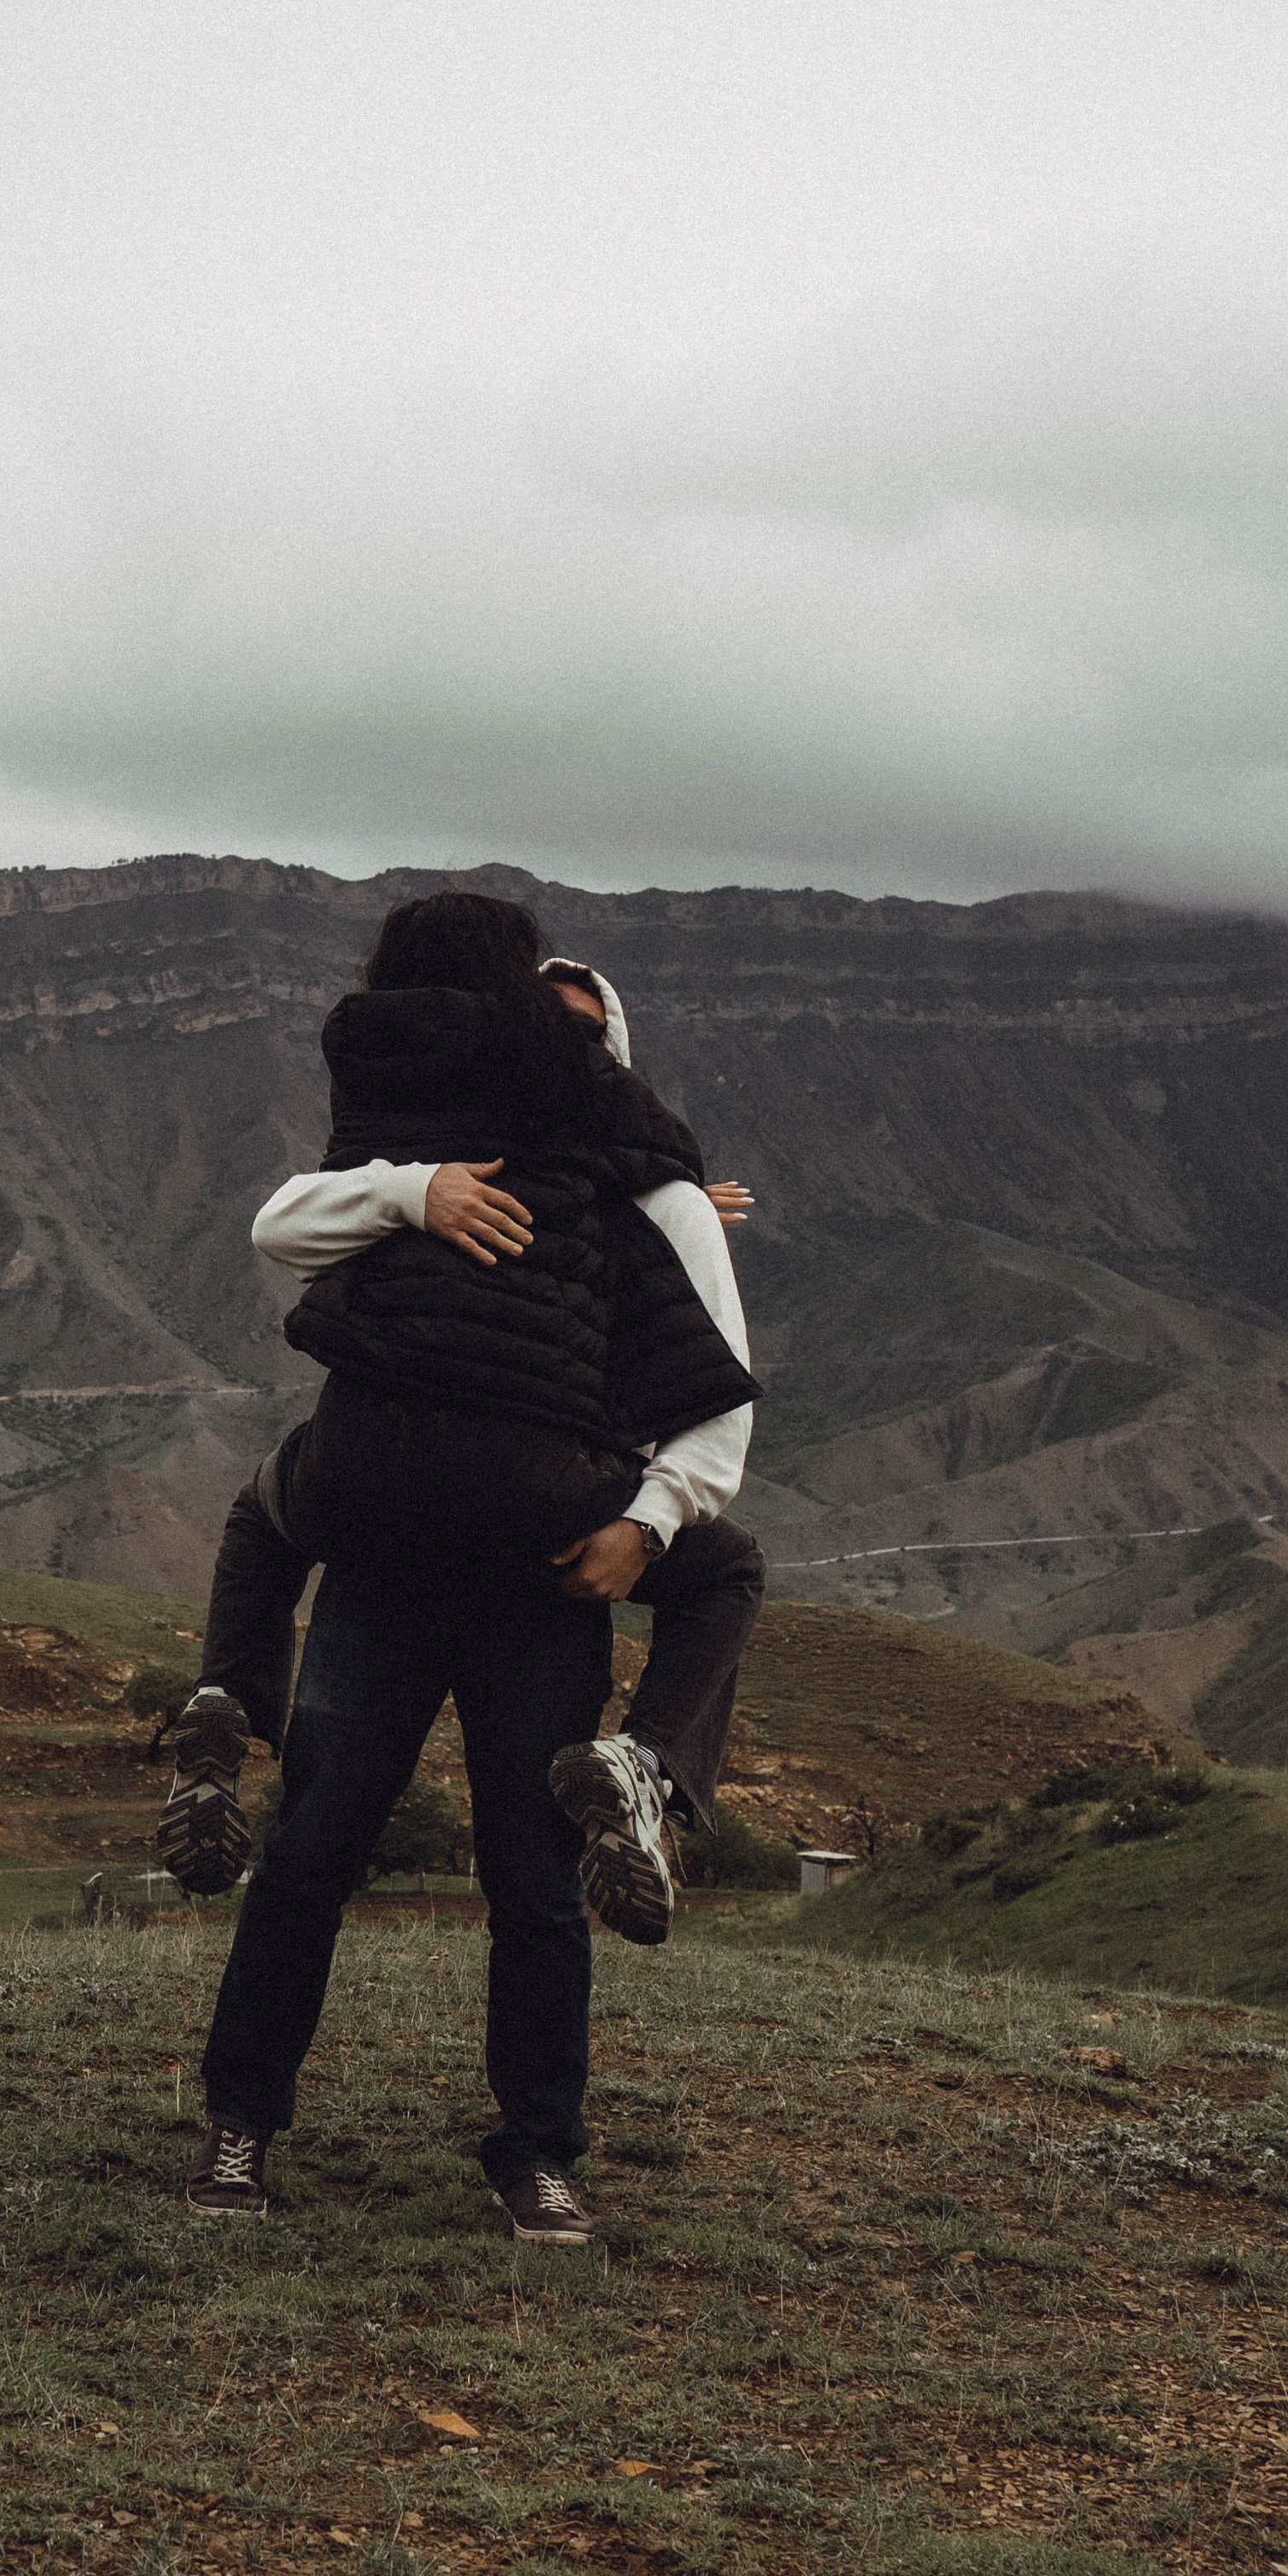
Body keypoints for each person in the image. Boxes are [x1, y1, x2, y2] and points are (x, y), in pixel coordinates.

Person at [174, 892, 762, 2243]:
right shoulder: (426, 1168)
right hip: (390, 1565)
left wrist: (650, 1524)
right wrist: (410, 1193)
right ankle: (239, 2128)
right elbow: (285, 1228)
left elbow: (720, 1388)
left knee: (531, 1879)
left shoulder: (648, 1184)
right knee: (310, 1854)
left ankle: (539, 2148)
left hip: (543, 1574)